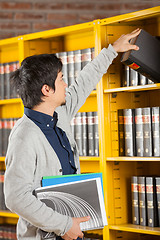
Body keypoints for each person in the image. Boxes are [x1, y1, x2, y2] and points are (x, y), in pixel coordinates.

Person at [4, 28, 141, 240]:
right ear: (46, 90)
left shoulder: (60, 112)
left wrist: (113, 50)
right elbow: (15, 198)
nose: (66, 84)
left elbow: (83, 83)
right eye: (61, 79)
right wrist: (64, 224)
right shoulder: (24, 136)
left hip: (70, 231)